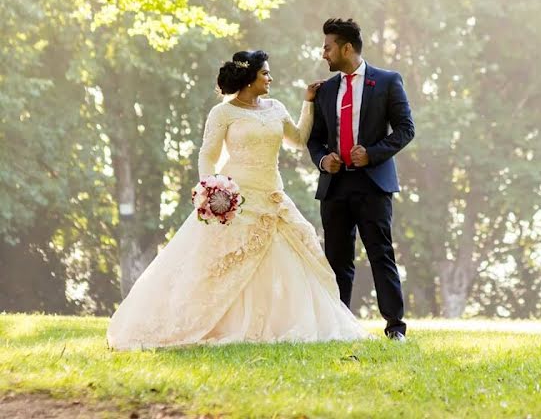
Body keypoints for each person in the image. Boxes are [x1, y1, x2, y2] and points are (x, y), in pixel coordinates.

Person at [107, 50, 370, 350]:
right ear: (249, 79)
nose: (270, 78)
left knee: (293, 256)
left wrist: (308, 102)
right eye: (265, 74)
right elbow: (208, 155)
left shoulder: (275, 108)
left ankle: (278, 324)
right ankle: (220, 324)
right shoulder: (223, 113)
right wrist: (212, 190)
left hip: (272, 194)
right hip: (237, 198)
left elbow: (297, 139)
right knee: (224, 262)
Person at [307, 18, 415, 340]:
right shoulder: (325, 90)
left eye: (328, 47)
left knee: (381, 254)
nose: (323, 53)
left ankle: (395, 328)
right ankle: (339, 328)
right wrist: (323, 160)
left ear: (347, 48)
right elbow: (314, 140)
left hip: (373, 184)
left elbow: (406, 129)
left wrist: (373, 153)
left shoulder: (387, 82)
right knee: (337, 260)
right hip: (335, 186)